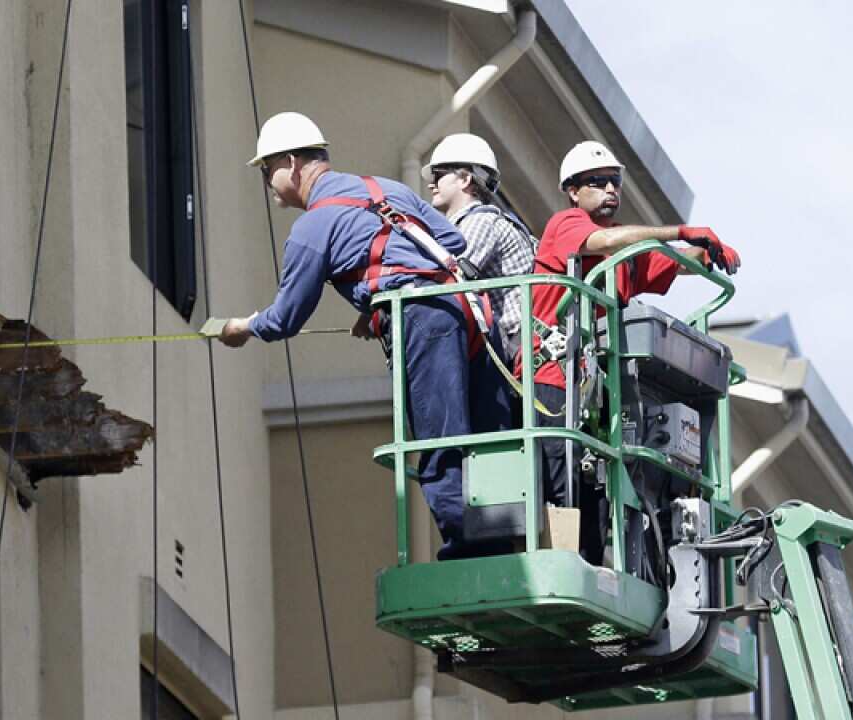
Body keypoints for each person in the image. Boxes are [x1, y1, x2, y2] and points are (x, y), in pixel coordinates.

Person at [218, 111, 511, 560]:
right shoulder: (386, 190)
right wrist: (382, 291)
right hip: (465, 311)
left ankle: (466, 548)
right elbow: (453, 243)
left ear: (293, 163)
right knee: (486, 429)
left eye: (267, 168)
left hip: (420, 319)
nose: (266, 181)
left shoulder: (313, 228)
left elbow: (284, 319)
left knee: (438, 434)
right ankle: (508, 536)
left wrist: (242, 327)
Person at [518, 140, 742, 563]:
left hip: (593, 390)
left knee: (599, 483)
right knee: (561, 474)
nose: (610, 190)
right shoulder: (568, 224)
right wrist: (678, 231)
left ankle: (592, 563)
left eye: (615, 182)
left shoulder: (621, 256)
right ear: (573, 190)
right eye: (598, 182)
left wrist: (704, 250)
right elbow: (603, 241)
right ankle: (560, 563)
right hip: (550, 380)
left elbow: (660, 264)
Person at [421, 133, 538, 365]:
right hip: (516, 348)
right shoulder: (481, 221)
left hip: (518, 349)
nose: (431, 183)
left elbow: (444, 279)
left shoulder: (480, 221)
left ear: (465, 179)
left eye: (438, 175)